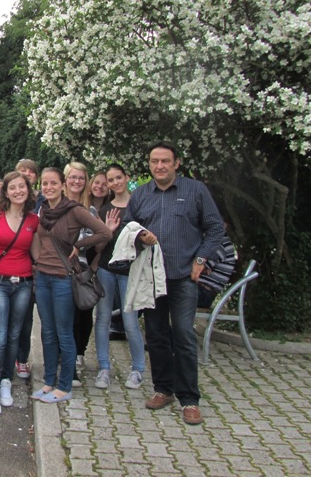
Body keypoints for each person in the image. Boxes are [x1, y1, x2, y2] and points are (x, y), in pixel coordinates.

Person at [123, 142, 224, 426]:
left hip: (183, 277)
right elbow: (127, 228)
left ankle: (189, 399)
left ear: (176, 163)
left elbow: (215, 228)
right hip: (152, 278)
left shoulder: (195, 190)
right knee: (156, 335)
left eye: (165, 161)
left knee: (183, 335)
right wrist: (139, 236)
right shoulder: (141, 194)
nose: (159, 166)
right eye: (154, 161)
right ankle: (163, 389)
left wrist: (201, 259)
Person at [31, 167, 110, 403]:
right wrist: (38, 261)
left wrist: (80, 244)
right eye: (45, 183)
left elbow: (105, 233)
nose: (48, 187)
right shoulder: (44, 210)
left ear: (63, 185)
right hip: (42, 277)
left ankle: (64, 386)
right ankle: (48, 381)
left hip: (63, 279)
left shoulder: (75, 210)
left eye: (53, 183)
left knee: (64, 332)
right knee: (47, 331)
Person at [0, 171, 39, 414]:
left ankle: (5, 381)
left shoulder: (33, 220)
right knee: (0, 336)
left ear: (28, 190)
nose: (17, 191)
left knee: (14, 335)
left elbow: (36, 254)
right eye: (12, 187)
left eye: (22, 187)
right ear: (6, 192)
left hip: (23, 283)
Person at [93, 163, 146, 390]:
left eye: (118, 178)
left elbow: (147, 242)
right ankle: (104, 368)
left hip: (130, 271)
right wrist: (108, 230)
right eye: (110, 180)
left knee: (130, 321)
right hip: (107, 269)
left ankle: (138, 369)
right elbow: (98, 248)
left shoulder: (140, 206)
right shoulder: (105, 210)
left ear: (127, 177)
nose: (115, 183)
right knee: (102, 319)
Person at [62, 162, 95, 386]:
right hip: (55, 268)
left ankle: (71, 365)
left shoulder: (89, 210)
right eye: (73, 177)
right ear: (65, 180)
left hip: (79, 270)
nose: (76, 181)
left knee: (75, 321)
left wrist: (77, 243)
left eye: (81, 178)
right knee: (58, 321)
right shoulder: (54, 205)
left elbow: (95, 238)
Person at [14, 158, 41, 379]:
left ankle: (22, 358)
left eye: (30, 171)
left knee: (25, 318)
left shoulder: (43, 201)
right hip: (11, 267)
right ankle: (8, 358)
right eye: (21, 171)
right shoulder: (9, 200)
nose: (26, 174)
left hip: (35, 269)